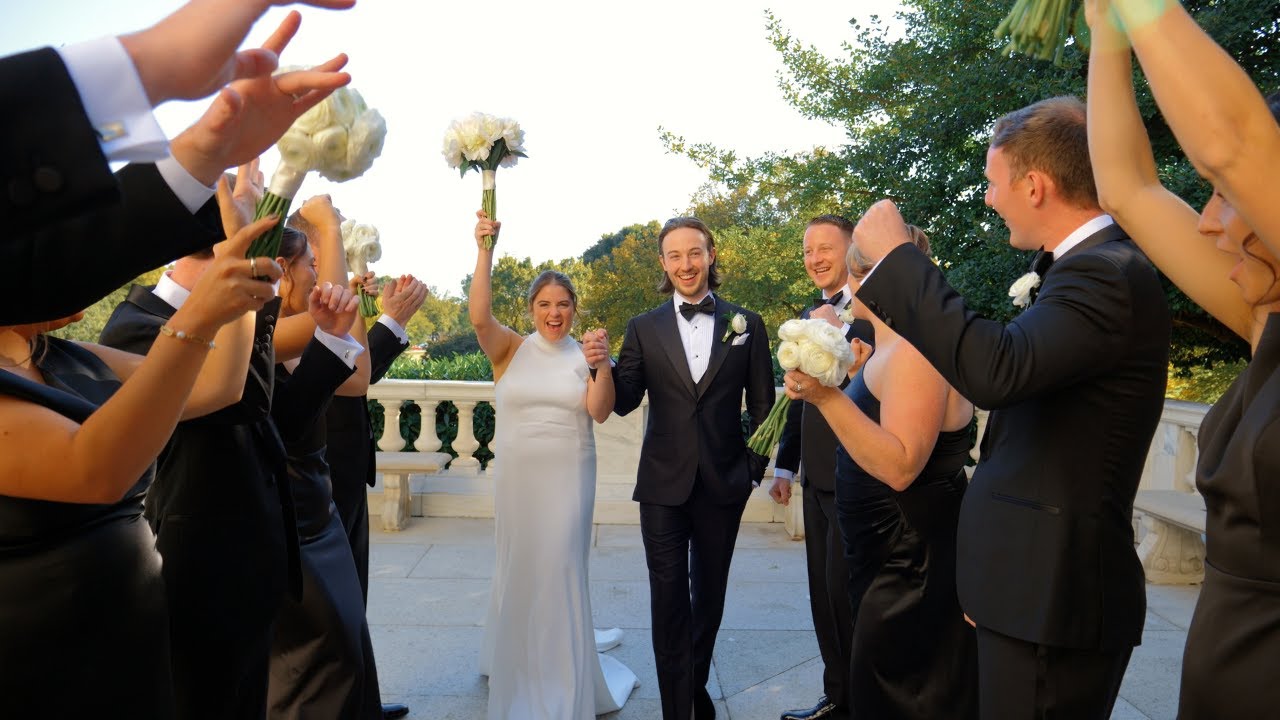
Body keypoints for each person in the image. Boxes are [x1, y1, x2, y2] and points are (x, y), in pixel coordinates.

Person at [850, 96, 1171, 719]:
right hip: (1026, 588)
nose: (990, 199)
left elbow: (996, 370)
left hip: (1054, 597)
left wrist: (898, 260)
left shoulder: (1107, 273)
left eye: (994, 184)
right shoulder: (1080, 271)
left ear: (1034, 184)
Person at [0, 203, 282, 718]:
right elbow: (98, 470)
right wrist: (199, 311)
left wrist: (243, 278)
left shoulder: (62, 355)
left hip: (129, 635)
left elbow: (219, 385)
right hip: (39, 656)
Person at [1086, 5, 1280, 716]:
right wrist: (1105, 28)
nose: (1206, 219)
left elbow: (1230, 143)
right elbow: (1127, 191)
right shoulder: (1265, 326)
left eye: (1226, 198)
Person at [1, 2, 354, 323]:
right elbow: (220, 389)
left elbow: (41, 270)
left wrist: (206, 149)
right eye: (312, 263)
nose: (315, 271)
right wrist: (145, 65)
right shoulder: (134, 327)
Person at [784, 228, 977, 719]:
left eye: (859, 269)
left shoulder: (915, 351)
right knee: (880, 683)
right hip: (884, 553)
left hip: (909, 560)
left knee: (906, 692)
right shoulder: (893, 349)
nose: (852, 280)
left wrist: (824, 396)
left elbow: (899, 465)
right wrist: (848, 381)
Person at [469, 211, 638, 719]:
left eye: (563, 304)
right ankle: (519, 666)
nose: (554, 312)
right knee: (521, 564)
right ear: (531, 309)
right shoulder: (510, 349)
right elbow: (479, 315)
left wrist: (601, 364)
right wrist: (484, 249)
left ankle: (565, 682)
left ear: (574, 309)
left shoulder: (585, 353)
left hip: (570, 475)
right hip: (519, 477)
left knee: (561, 565)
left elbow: (600, 410)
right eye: (544, 304)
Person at [612, 216, 775, 720]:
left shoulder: (747, 323)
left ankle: (691, 686)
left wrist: (752, 470)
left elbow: (765, 407)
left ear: (711, 255)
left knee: (709, 597)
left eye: (695, 252)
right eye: (675, 255)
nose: (686, 264)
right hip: (663, 484)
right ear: (663, 263)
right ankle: (678, 710)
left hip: (725, 483)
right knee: (668, 598)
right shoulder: (642, 327)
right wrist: (599, 364)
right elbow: (622, 401)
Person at [290, 203, 419, 720]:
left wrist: (383, 318)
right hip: (317, 467)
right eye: (320, 256)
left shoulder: (313, 305)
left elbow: (354, 370)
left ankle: (360, 699)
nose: (325, 269)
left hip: (342, 465)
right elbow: (352, 376)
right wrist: (387, 320)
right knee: (334, 604)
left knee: (352, 595)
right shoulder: (290, 315)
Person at [268, 197, 387, 720]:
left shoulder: (299, 323)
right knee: (315, 659)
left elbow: (355, 373)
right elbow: (351, 364)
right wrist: (331, 230)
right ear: (284, 271)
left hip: (319, 503)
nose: (320, 274)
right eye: (311, 264)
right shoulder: (268, 331)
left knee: (342, 637)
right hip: (289, 507)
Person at [770, 214, 873, 720]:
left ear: (853, 249)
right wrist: (786, 467)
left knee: (848, 595)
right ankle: (836, 696)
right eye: (808, 250)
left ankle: (861, 700)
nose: (814, 258)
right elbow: (800, 401)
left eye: (825, 248)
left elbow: (879, 386)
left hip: (858, 473)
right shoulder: (812, 315)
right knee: (823, 596)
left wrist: (841, 334)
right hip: (816, 476)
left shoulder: (875, 312)